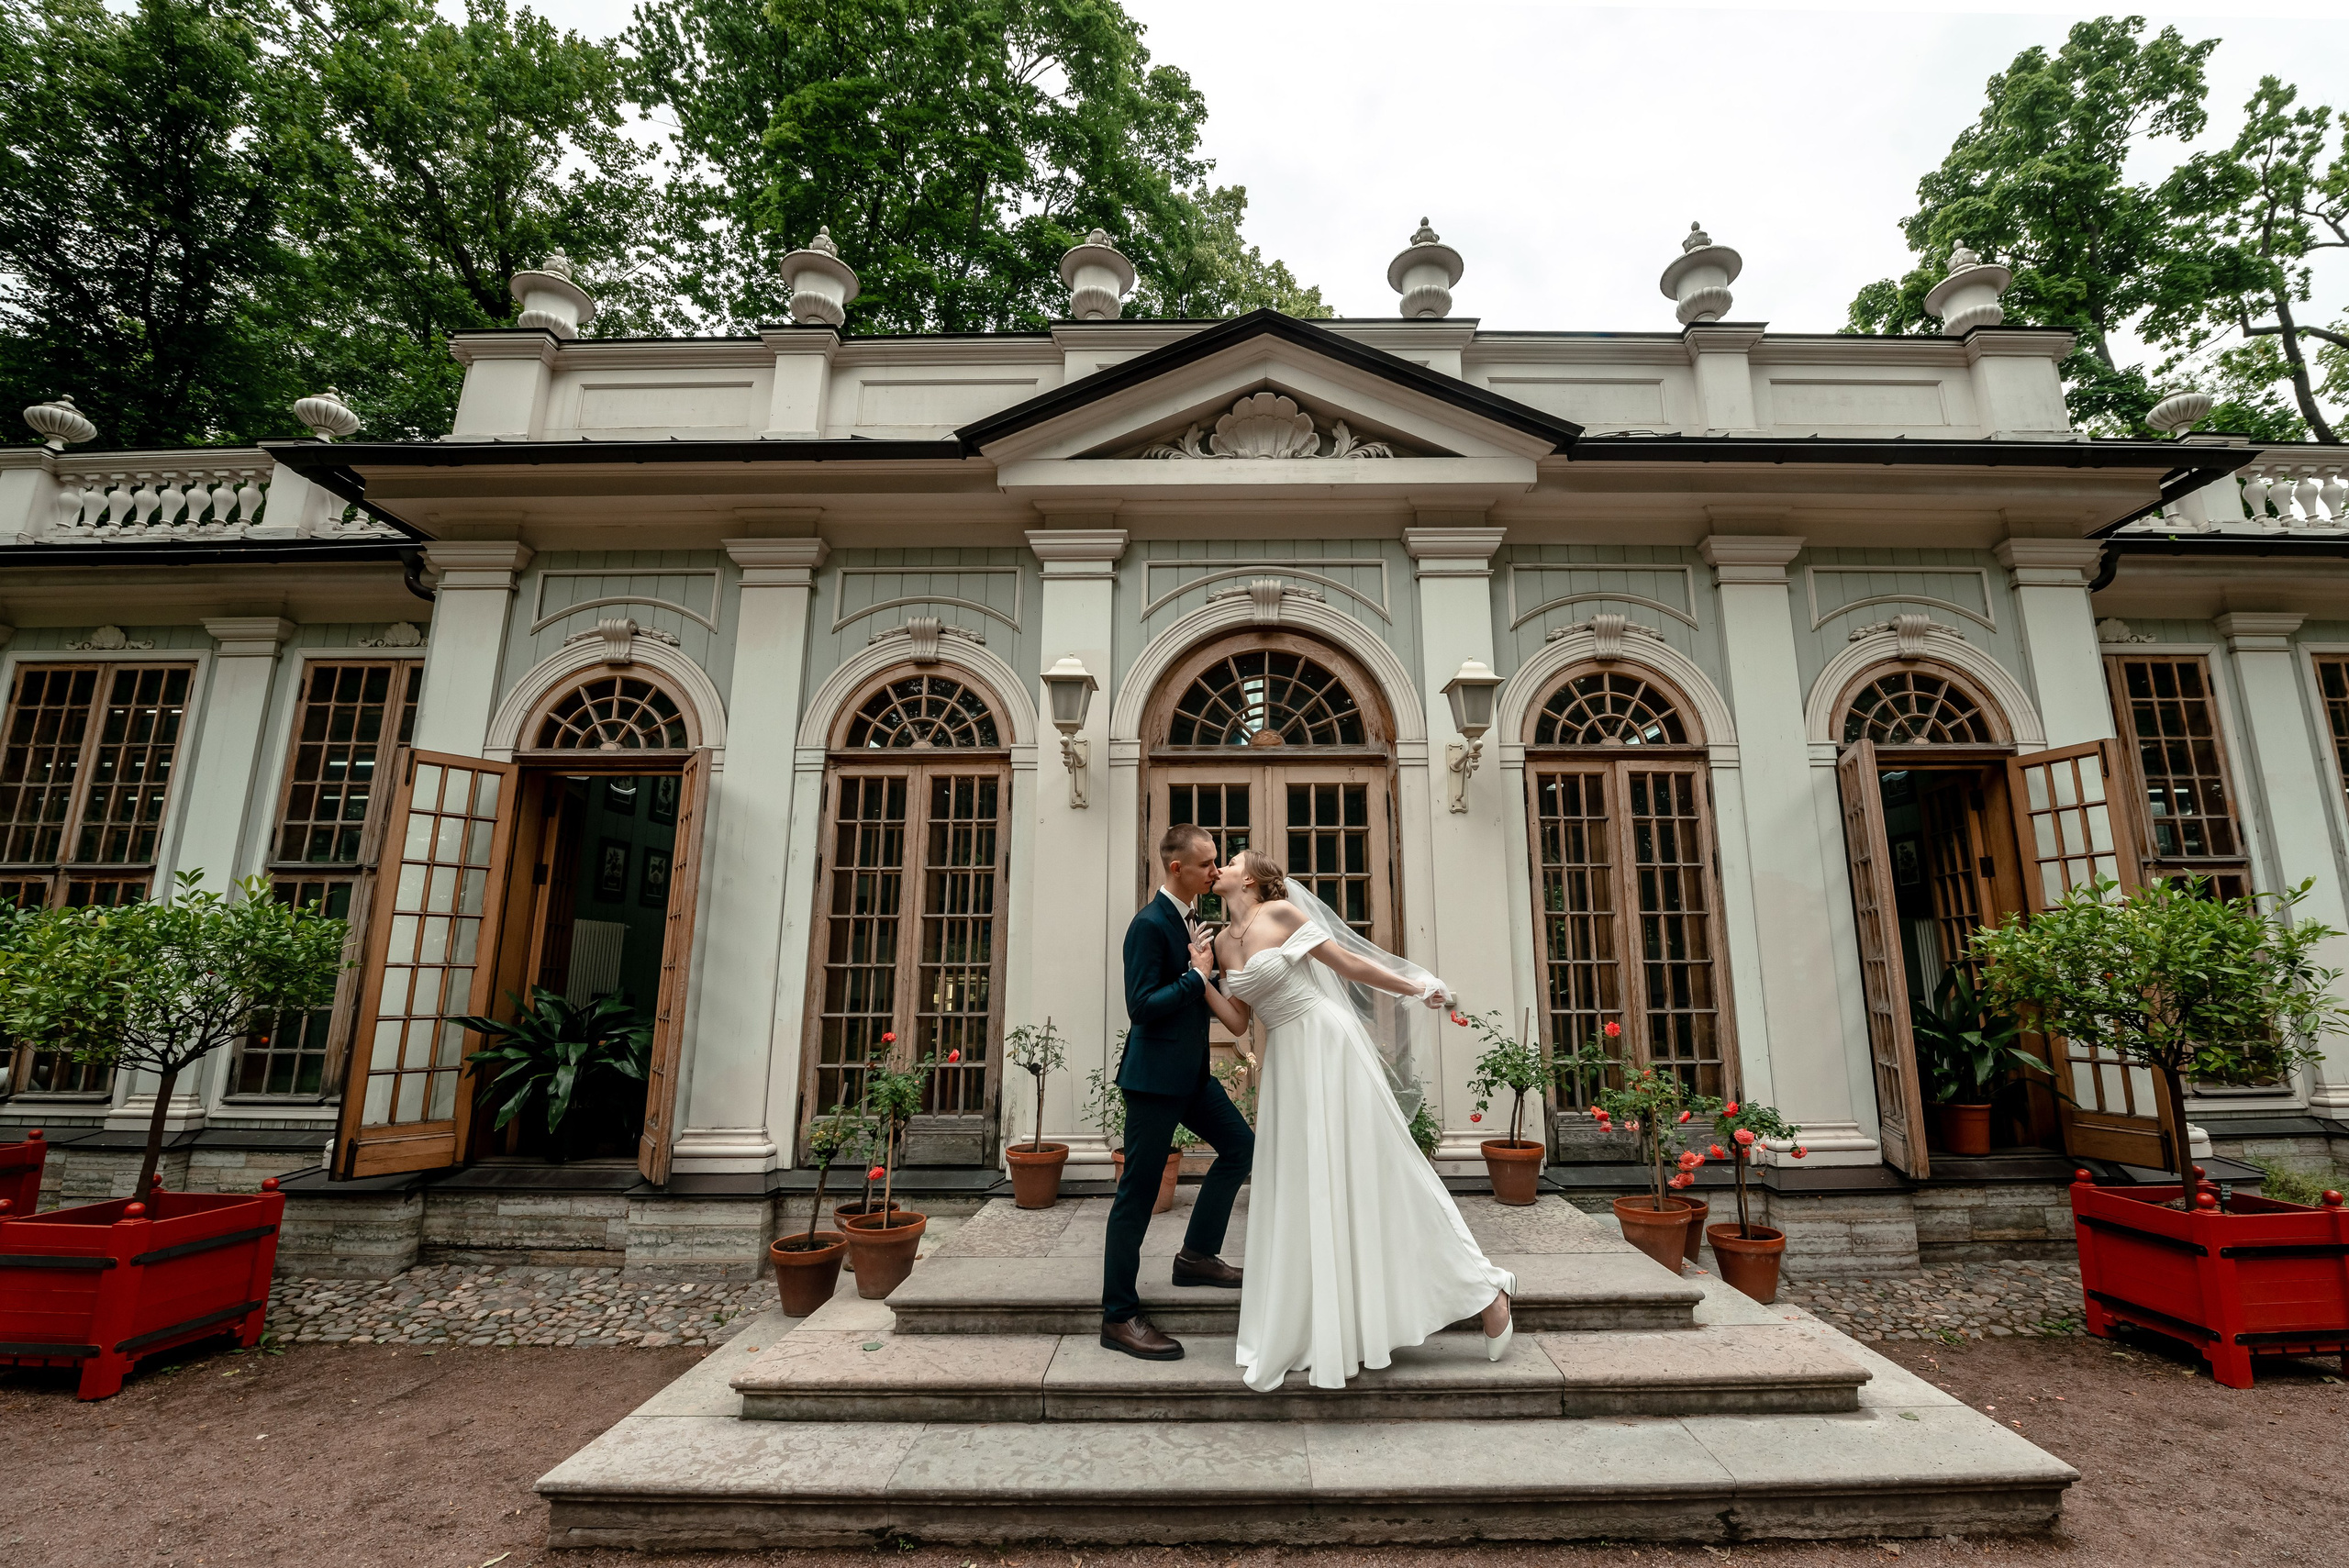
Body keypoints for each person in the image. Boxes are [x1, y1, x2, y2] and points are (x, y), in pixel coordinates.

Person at [1195, 849, 1513, 1392]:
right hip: (1287, 1064)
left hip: (1327, 1043)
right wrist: (1201, 977)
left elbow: (1348, 964)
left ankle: (1485, 1288)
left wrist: (1415, 985)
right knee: (1303, 1185)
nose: (1220, 864)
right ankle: (1322, 1323)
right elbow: (1239, 1019)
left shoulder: (1282, 915)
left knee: (1375, 1170)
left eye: (1232, 858)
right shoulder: (1222, 943)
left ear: (1249, 877)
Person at [1098, 825, 1255, 1362]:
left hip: (1190, 1075)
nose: (1215, 871)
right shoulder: (1147, 924)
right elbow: (1140, 1006)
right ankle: (1118, 1316)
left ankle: (1195, 1257)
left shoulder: (1193, 919)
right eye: (1207, 863)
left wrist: (1218, 975)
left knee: (1240, 1148)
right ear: (1176, 868)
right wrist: (1196, 976)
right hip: (1152, 1081)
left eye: (1217, 863)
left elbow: (1204, 990)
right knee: (1137, 1195)